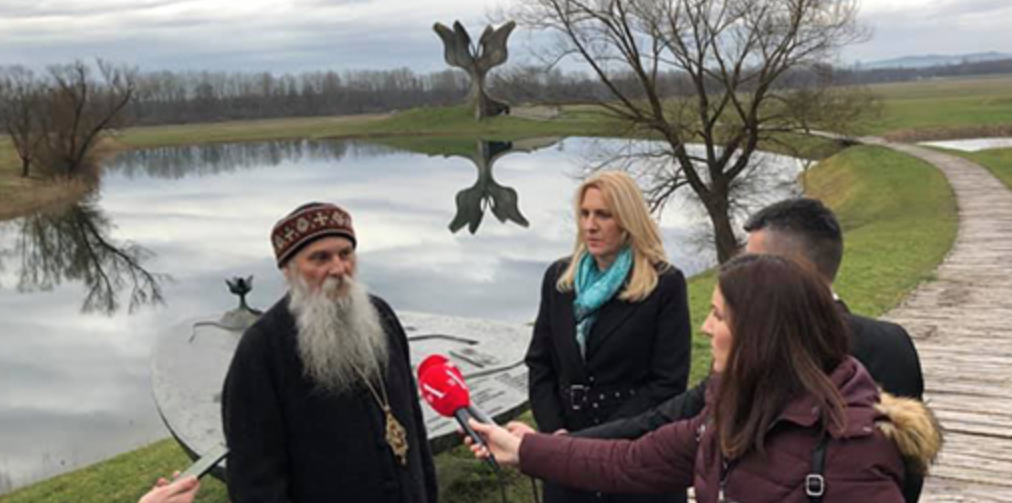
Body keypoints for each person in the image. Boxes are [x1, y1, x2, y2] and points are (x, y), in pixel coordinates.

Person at [471, 254, 942, 503]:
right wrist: (526, 450)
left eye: (718, 315)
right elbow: (632, 461)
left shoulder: (850, 455)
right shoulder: (734, 407)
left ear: (759, 334)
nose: (706, 328)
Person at [573, 197, 927, 501]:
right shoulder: (894, 342)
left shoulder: (758, 350)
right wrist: (567, 443)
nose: (741, 273)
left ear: (789, 273)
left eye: (753, 265)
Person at [222, 202, 438, 503]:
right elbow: (255, 480)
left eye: (345, 254)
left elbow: (414, 427)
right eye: (320, 258)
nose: (338, 268)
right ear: (289, 269)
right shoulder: (262, 350)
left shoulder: (381, 317)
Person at [525, 171, 692, 503]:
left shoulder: (664, 285)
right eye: (585, 214)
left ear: (627, 220)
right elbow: (540, 364)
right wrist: (556, 435)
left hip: (634, 451)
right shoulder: (559, 279)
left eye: (603, 215)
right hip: (564, 448)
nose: (590, 225)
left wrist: (594, 442)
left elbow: (668, 383)